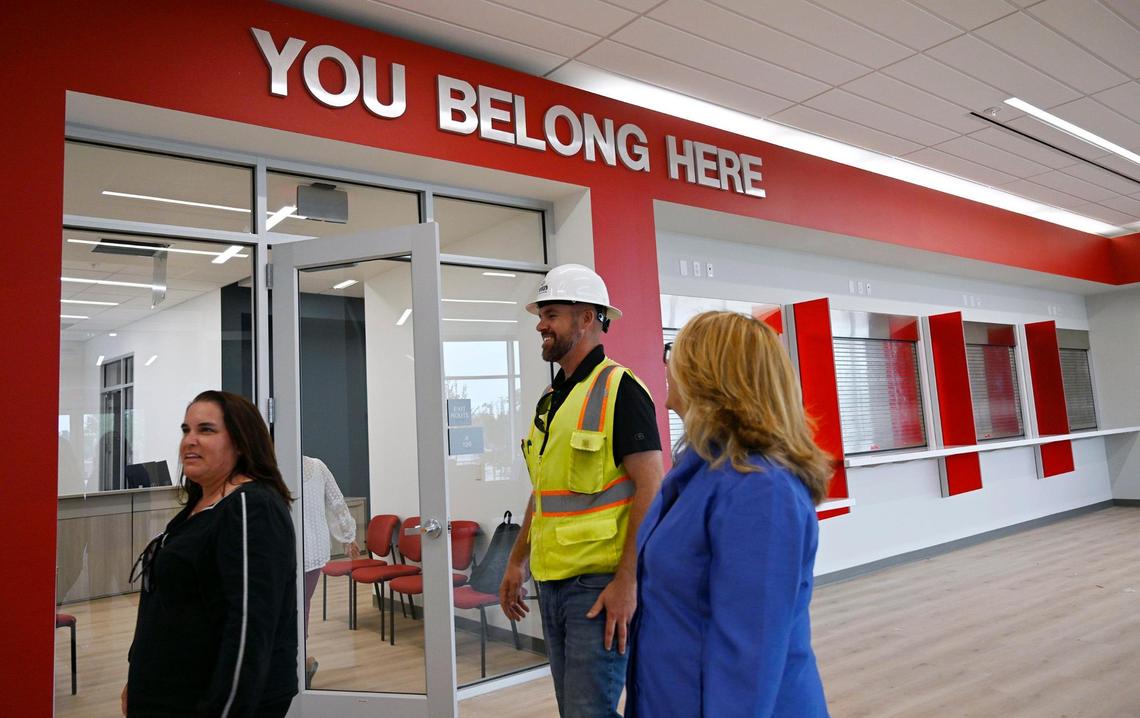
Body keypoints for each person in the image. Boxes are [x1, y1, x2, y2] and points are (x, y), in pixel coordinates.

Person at [625, 311, 832, 717]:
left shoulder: (762, 489)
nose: (667, 365)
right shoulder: (701, 470)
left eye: (675, 353)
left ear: (709, 374)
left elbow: (748, 659)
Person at [499, 263, 664, 718]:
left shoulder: (621, 389)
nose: (540, 325)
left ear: (587, 317)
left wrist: (627, 581)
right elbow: (544, 492)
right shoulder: (551, 402)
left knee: (587, 712)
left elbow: (652, 488)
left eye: (551, 313)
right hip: (552, 585)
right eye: (541, 314)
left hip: (598, 587)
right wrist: (517, 561)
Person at [123, 390, 298, 717]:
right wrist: (139, 675)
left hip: (214, 699)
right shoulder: (201, 504)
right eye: (186, 430)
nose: (190, 440)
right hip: (170, 690)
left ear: (242, 442)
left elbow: (249, 627)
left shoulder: (252, 507)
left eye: (206, 430)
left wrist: (225, 708)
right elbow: (166, 606)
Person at [301, 454, 360, 686]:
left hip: (309, 551)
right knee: (296, 606)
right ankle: (299, 661)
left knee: (299, 605)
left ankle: (299, 661)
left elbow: (336, 501)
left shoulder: (316, 467)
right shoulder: (266, 465)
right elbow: (336, 502)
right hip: (291, 549)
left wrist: (348, 536)